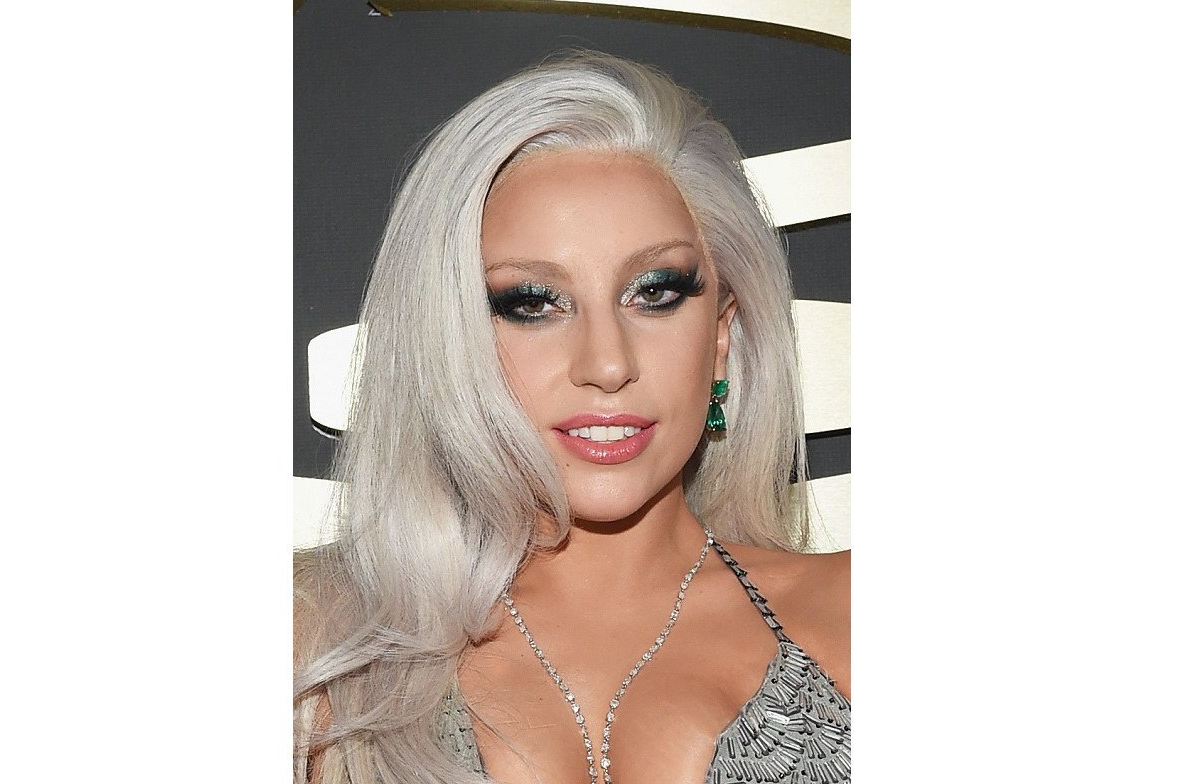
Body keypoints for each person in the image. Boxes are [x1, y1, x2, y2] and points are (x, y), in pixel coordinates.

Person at [294, 51, 850, 784]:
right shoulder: (317, 646)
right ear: (448, 339)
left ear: (720, 336)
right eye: (532, 303)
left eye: (654, 293)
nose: (607, 363)